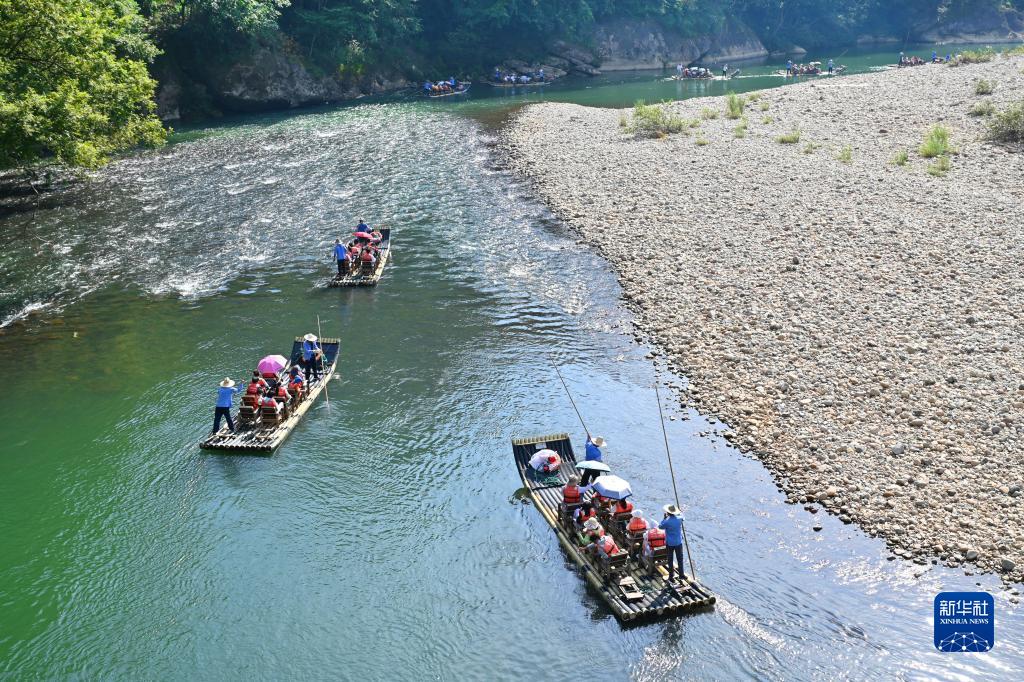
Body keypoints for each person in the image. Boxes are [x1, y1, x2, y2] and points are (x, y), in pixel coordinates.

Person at [659, 504, 686, 583]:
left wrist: (664, 518)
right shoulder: (680, 518)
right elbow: (683, 516)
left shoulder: (667, 521)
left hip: (670, 543)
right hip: (678, 542)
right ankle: (681, 575)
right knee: (680, 559)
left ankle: (671, 576)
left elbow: (660, 526)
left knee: (670, 560)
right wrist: (680, 512)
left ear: (668, 513)